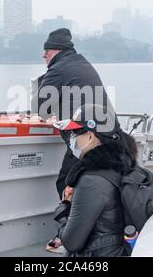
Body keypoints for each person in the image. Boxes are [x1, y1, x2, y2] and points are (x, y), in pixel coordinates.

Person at [31, 28, 114, 199]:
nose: (43, 55)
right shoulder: (81, 63)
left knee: (66, 183)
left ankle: (72, 223)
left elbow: (40, 109)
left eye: (46, 50)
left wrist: (42, 84)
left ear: (56, 51)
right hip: (108, 133)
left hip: (84, 138)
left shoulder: (59, 68)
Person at [51, 104, 136, 257]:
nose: (72, 137)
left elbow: (71, 243)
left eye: (75, 132)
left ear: (90, 136)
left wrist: (63, 207)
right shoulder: (124, 164)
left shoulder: (91, 181)